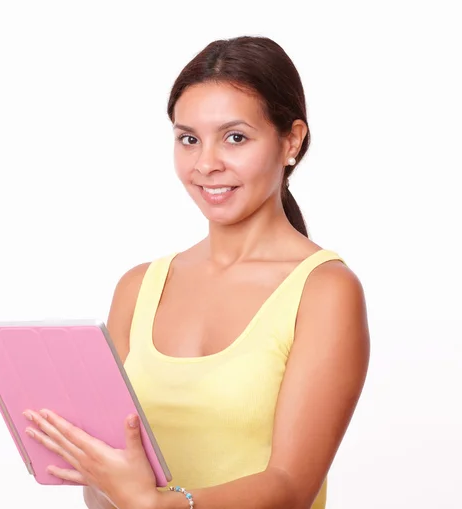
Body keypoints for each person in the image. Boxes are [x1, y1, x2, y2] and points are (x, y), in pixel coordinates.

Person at [23, 35, 370, 509]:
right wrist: (90, 465)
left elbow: (291, 487)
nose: (206, 164)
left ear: (291, 140)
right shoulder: (138, 288)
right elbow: (105, 494)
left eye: (235, 137)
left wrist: (158, 504)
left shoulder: (324, 291)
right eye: (189, 139)